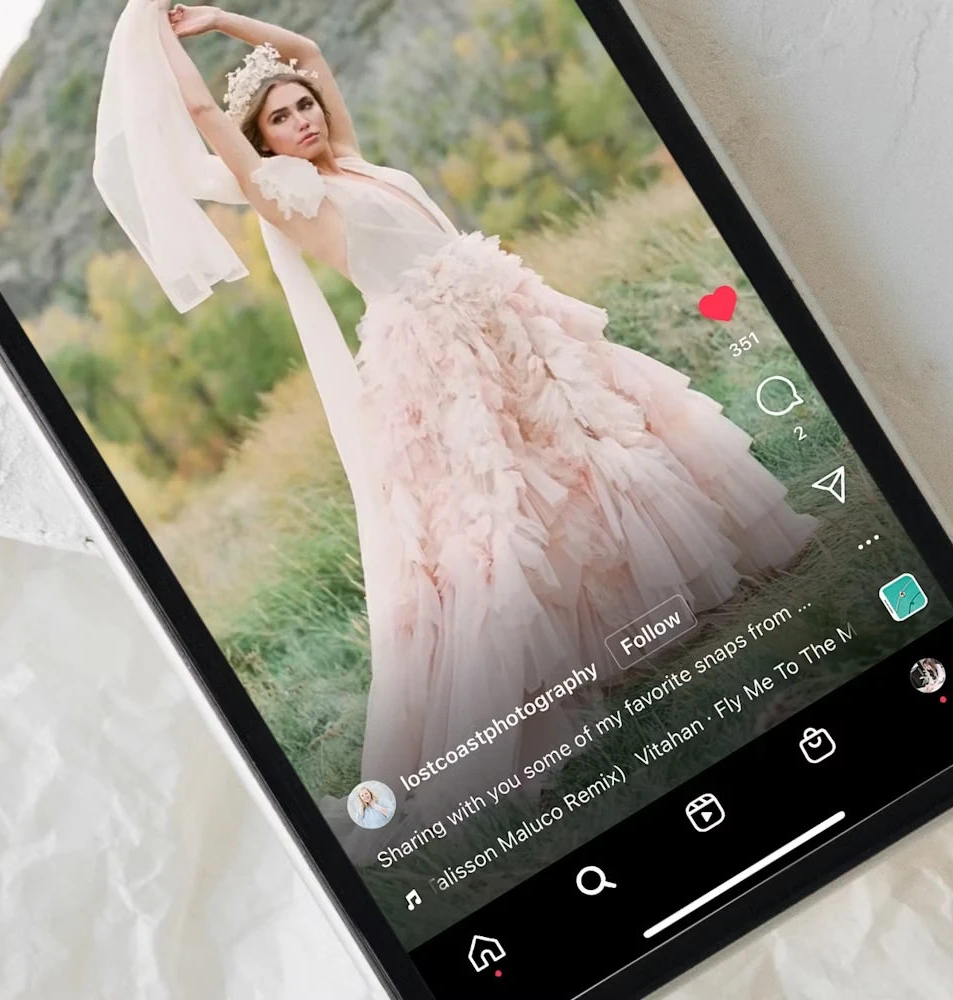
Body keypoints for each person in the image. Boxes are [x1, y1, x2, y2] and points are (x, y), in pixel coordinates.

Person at [96, 1, 815, 813]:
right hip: (436, 350)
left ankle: (655, 596)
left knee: (587, 440)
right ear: (262, 142)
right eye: (282, 118)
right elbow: (200, 112)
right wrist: (155, 30)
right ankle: (554, 665)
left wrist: (228, 21)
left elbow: (307, 51)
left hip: (504, 311)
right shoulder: (282, 194)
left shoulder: (356, 163)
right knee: (503, 498)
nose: (301, 119)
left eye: (303, 106)